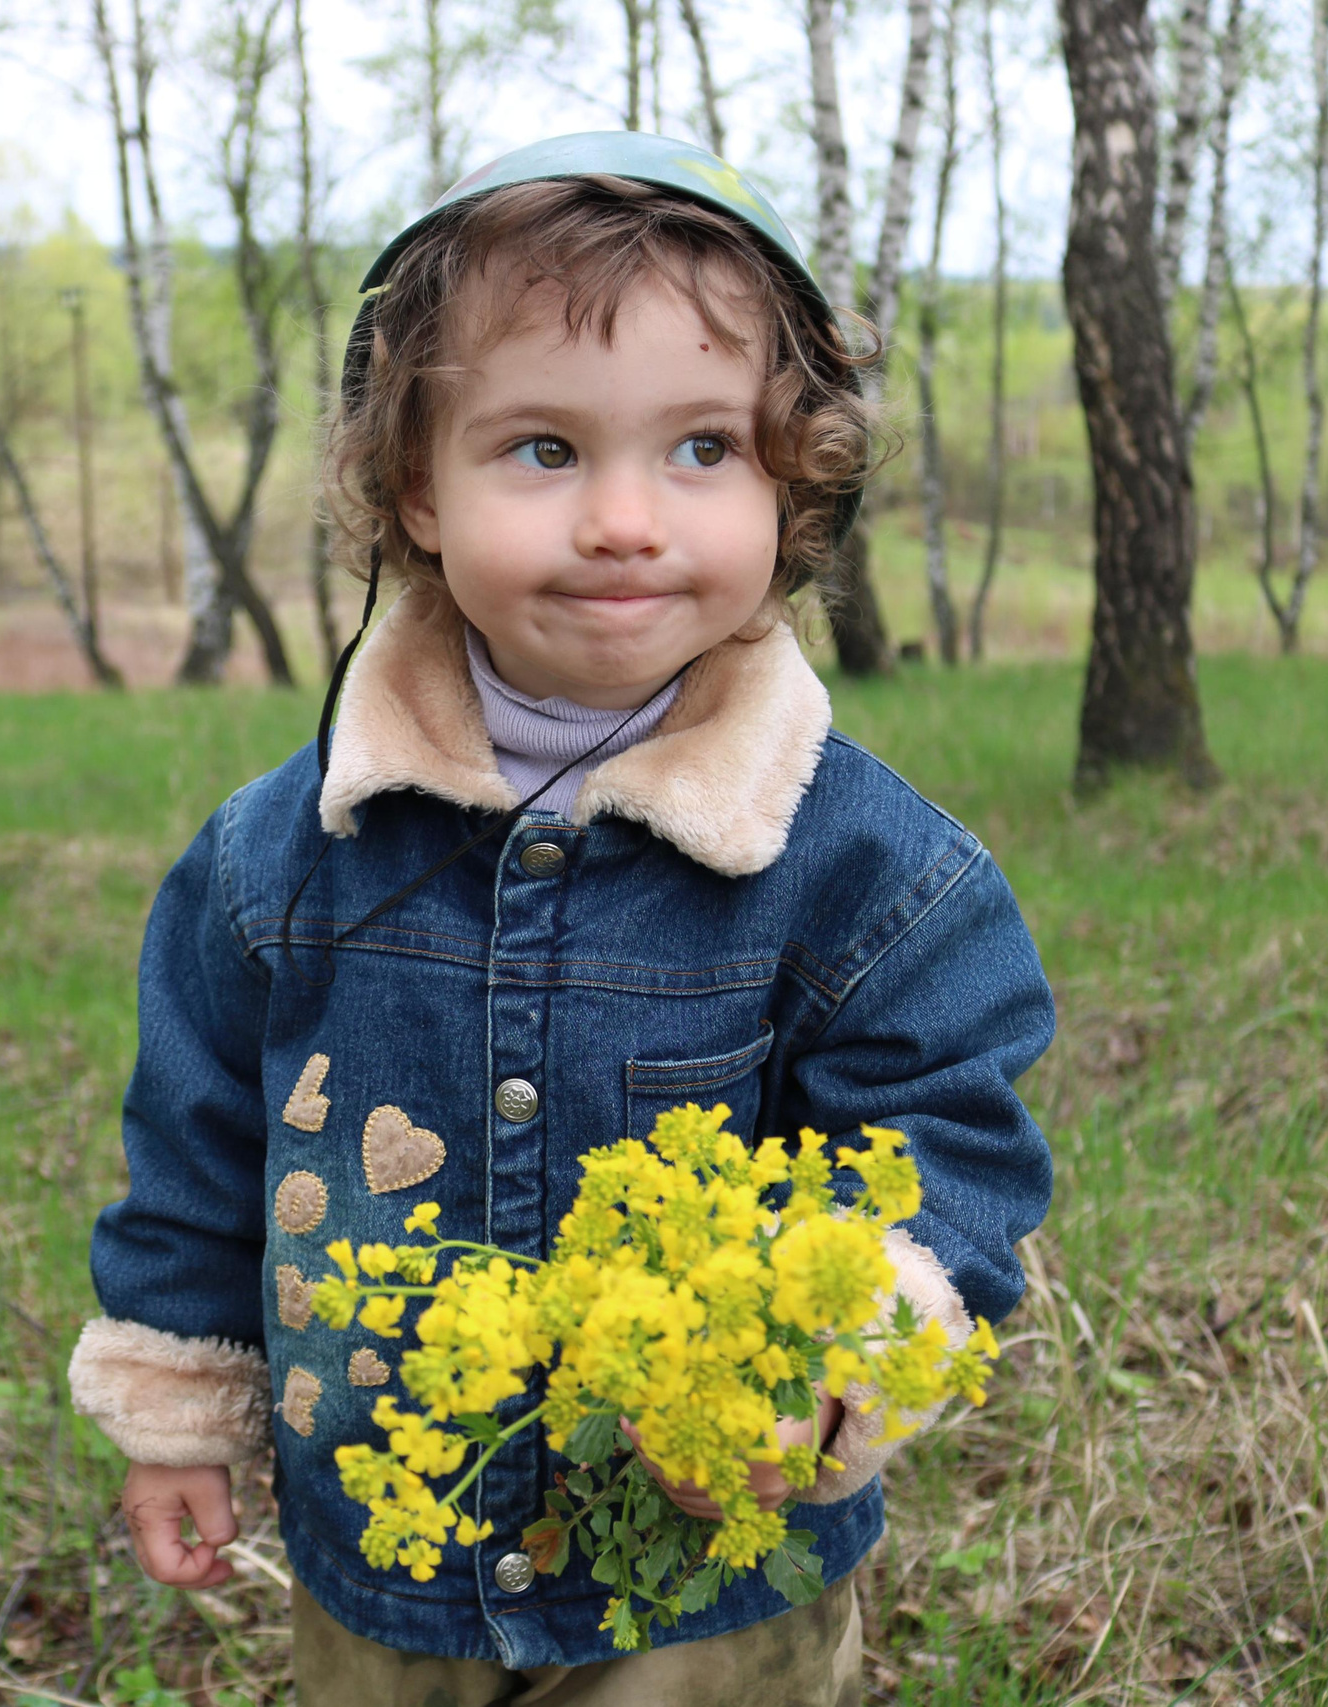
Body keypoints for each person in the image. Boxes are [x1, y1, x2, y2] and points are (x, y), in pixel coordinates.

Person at [68, 132, 1054, 1706]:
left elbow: (950, 1141)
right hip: (387, 1556)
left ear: (791, 483)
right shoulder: (279, 861)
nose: (622, 519)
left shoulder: (868, 868)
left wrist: (837, 1345)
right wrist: (183, 1415)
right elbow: (198, 1147)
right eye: (541, 448)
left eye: (701, 451)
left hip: (714, 1578)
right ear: (418, 487)